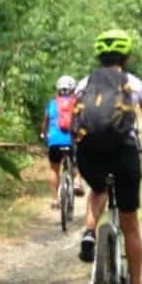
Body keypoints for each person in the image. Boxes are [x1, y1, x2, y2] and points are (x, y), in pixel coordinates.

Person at [73, 29, 142, 284]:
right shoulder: (133, 83)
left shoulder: (84, 83)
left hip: (89, 154)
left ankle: (90, 233)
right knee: (130, 224)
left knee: (98, 189)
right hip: (123, 153)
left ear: (99, 56)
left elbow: (72, 118)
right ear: (126, 56)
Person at [41, 75, 83, 209]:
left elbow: (45, 123)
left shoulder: (51, 104)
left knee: (54, 169)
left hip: (54, 140)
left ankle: (54, 200)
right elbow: (82, 121)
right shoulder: (77, 103)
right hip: (71, 140)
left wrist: (44, 134)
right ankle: (77, 182)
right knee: (78, 161)